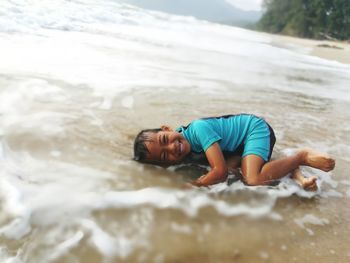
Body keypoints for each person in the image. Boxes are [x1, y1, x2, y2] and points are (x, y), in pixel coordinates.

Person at [133, 114, 335, 190]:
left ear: (167, 128)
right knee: (235, 172)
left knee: (252, 179)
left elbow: (218, 172)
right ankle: (293, 171)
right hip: (236, 149)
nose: (172, 148)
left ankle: (302, 156)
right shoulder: (183, 149)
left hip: (253, 130)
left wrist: (194, 185)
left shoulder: (198, 128)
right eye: (164, 156)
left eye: (165, 140)